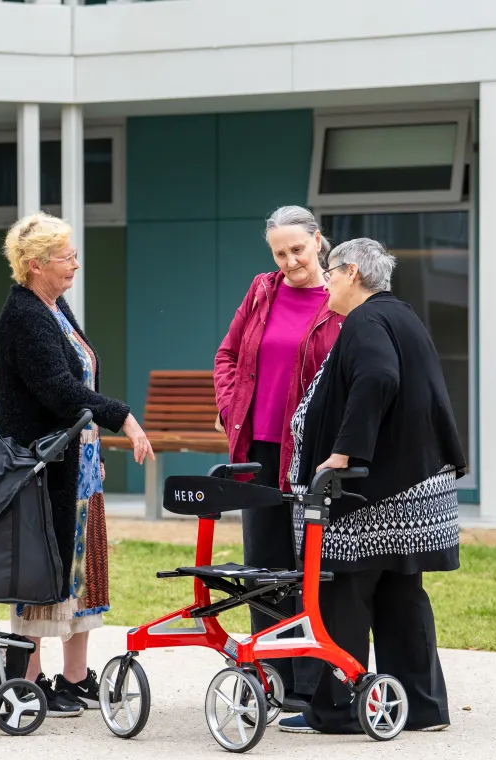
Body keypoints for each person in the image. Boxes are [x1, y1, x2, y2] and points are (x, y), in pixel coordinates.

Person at [279, 237, 465, 735]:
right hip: (413, 487)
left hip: (370, 494)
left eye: (332, 273)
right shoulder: (401, 315)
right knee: (402, 594)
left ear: (353, 272)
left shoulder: (364, 320)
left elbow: (378, 378)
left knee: (342, 590)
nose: (327, 282)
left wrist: (343, 453)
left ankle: (338, 710)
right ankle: (420, 707)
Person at [0, 211, 155, 716]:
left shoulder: (53, 306)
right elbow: (61, 391)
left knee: (84, 573)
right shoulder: (24, 315)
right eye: (67, 257)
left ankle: (75, 679)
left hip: (77, 463)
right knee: (45, 569)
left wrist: (93, 443)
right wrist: (122, 417)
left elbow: (79, 383)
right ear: (37, 264)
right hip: (42, 466)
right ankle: (31, 682)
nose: (76, 265)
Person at [213, 205, 343, 708]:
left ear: (318, 241)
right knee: (264, 566)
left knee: (310, 565)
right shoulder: (262, 290)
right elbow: (227, 356)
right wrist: (230, 408)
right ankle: (271, 679)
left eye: (298, 249)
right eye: (279, 252)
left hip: (312, 453)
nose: (290, 261)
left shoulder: (340, 295)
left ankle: (314, 684)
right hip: (259, 450)